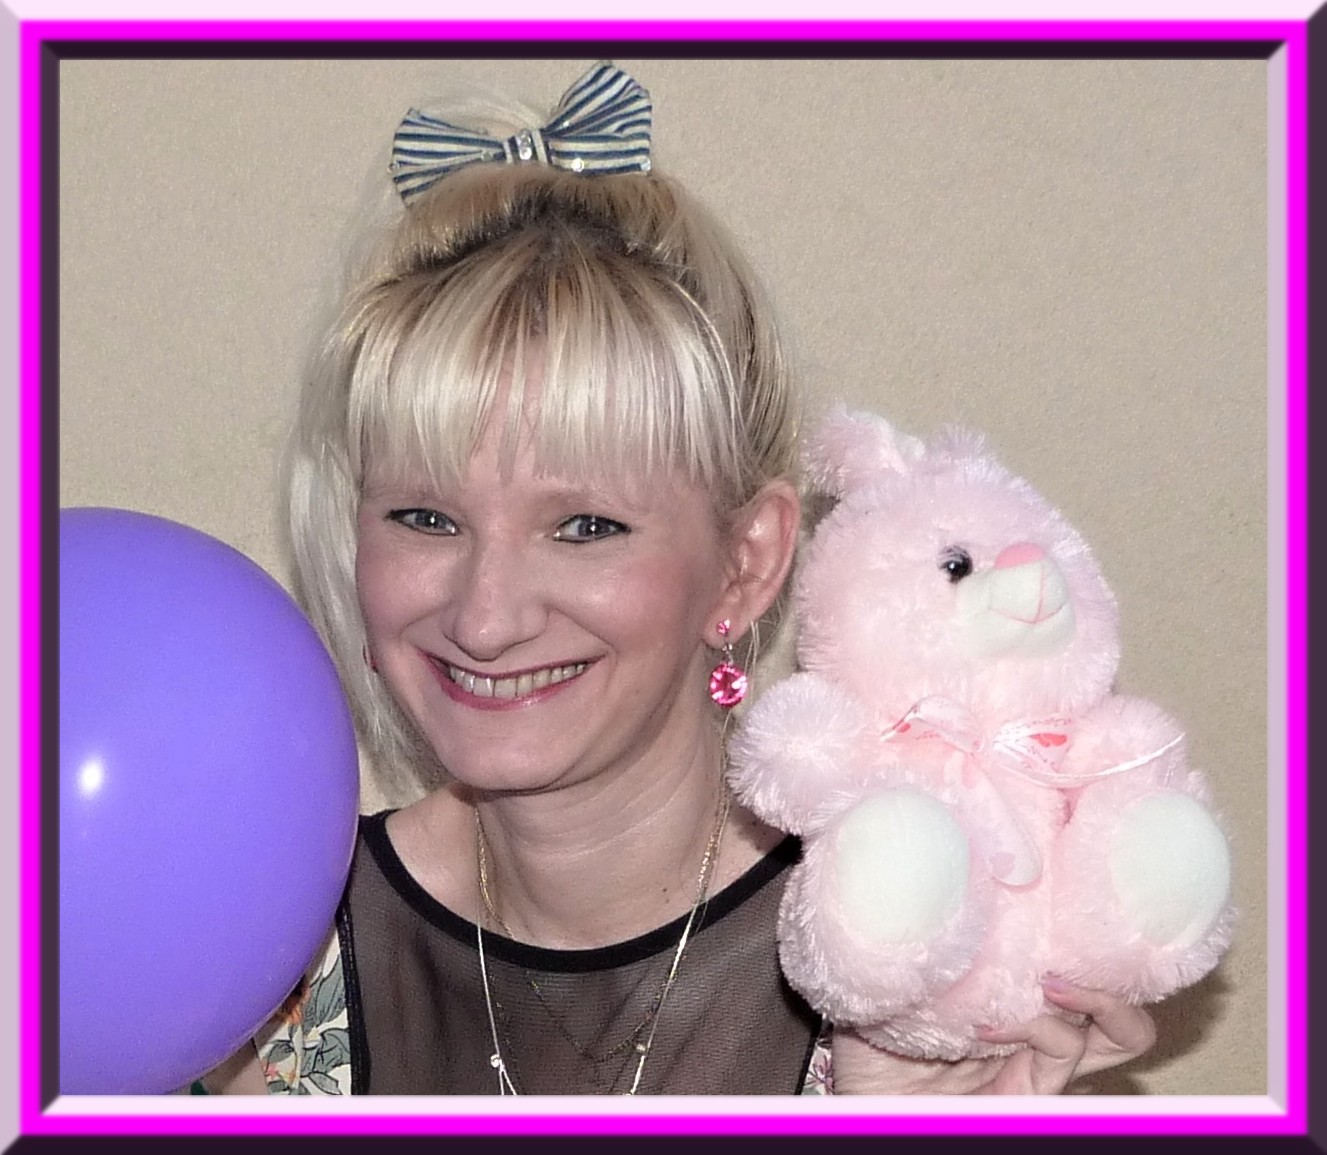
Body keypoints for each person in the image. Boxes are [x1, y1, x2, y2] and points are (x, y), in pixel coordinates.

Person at [205, 61, 1156, 1097]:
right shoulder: (258, 956)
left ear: (745, 564)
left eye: (584, 526)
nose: (485, 616)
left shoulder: (913, 959)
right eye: (426, 518)